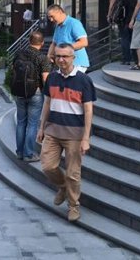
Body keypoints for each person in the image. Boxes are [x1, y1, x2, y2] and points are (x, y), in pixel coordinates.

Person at [36, 43, 96, 222]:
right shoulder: (52, 78)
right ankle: (62, 186)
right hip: (53, 130)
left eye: (65, 56)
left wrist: (86, 138)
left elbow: (88, 110)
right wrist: (41, 127)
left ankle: (73, 206)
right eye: (58, 56)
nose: (61, 60)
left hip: (75, 134)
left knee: (73, 173)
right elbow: (47, 103)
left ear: (73, 58)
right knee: (48, 166)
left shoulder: (84, 80)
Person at [10, 31, 52, 162]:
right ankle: (29, 153)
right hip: (35, 93)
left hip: (19, 91)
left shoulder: (19, 54)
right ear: (42, 43)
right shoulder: (42, 58)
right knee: (32, 124)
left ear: (29, 41)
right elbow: (46, 78)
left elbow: (13, 69)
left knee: (21, 122)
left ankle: (19, 152)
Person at [47, 4, 90, 72]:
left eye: (52, 16)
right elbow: (54, 43)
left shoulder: (74, 23)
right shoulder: (58, 26)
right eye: (49, 17)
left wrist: (64, 50)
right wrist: (49, 55)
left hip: (76, 64)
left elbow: (84, 42)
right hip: (64, 64)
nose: (51, 20)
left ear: (60, 12)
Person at [106, 0, 137, 64]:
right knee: (134, 38)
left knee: (124, 37)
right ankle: (136, 58)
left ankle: (126, 59)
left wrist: (109, 14)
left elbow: (112, 1)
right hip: (133, 16)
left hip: (122, 17)